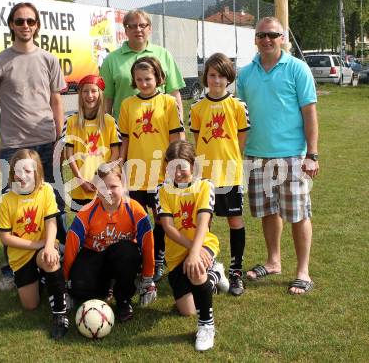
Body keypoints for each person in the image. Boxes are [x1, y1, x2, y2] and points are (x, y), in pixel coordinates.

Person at [0, 2, 68, 291]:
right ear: (11, 25)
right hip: (12, 147)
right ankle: (11, 268)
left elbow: (57, 101)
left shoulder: (48, 60)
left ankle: (59, 255)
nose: (25, 25)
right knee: (11, 205)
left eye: (30, 20)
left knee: (55, 203)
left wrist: (59, 140)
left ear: (37, 25)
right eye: (19, 21)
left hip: (46, 142)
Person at [236, 17, 319, 295]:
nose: (267, 39)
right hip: (256, 156)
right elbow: (241, 117)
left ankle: (303, 271)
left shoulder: (298, 69)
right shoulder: (245, 74)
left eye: (273, 34)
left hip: (292, 156)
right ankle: (273, 261)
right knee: (268, 212)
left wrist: (313, 155)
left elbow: (310, 113)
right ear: (255, 39)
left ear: (282, 37)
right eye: (261, 35)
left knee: (297, 214)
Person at [63, 163, 156, 322]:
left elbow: (147, 245)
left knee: (128, 252)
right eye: (103, 187)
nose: (108, 191)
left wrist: (148, 279)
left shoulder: (135, 210)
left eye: (113, 186)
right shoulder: (86, 212)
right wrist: (65, 282)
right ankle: (104, 289)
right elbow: (72, 246)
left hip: (120, 258)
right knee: (79, 286)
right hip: (94, 256)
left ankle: (123, 300)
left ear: (123, 186)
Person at [118, 56, 184, 282]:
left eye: (148, 78)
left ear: (158, 78)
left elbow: (176, 137)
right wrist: (119, 165)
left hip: (160, 173)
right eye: (139, 79)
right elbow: (125, 139)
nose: (144, 83)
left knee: (161, 220)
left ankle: (158, 260)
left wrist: (175, 166)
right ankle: (140, 260)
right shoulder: (128, 104)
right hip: (135, 173)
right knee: (137, 220)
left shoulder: (168, 102)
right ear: (134, 81)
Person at [190, 53, 250, 296]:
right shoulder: (197, 108)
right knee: (205, 223)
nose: (216, 80)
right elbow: (197, 142)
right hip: (205, 178)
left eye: (221, 75)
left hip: (230, 176)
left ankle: (236, 272)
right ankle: (208, 266)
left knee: (235, 221)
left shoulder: (238, 106)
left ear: (229, 77)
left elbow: (240, 141)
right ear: (206, 77)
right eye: (212, 75)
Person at [156, 140, 224, 351]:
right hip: (177, 254)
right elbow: (168, 227)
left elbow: (204, 222)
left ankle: (206, 327)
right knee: (187, 310)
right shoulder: (162, 190)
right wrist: (189, 251)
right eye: (171, 167)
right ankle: (215, 275)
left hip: (204, 244)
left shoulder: (205, 185)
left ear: (192, 165)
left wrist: (195, 252)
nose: (177, 173)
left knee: (195, 268)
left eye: (182, 167)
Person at [0, 149, 69, 340]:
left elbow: (51, 222)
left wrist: (48, 246)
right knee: (30, 305)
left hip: (43, 247)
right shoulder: (5, 199)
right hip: (21, 256)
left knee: (50, 259)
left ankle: (60, 315)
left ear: (37, 172)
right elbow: (6, 238)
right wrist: (38, 244)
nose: (23, 176)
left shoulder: (46, 190)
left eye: (29, 171)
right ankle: (46, 279)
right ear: (12, 173)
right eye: (19, 171)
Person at [100, 9, 185, 122]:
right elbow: (106, 99)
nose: (138, 29)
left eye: (142, 25)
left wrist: (180, 127)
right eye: (133, 26)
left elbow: (174, 93)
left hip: (160, 129)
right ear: (126, 30)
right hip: (125, 131)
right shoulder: (111, 60)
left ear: (149, 28)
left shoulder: (164, 55)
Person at [64, 74, 121, 211]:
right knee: (83, 228)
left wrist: (101, 177)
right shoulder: (71, 121)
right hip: (81, 186)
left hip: (104, 186)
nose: (90, 95)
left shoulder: (109, 122)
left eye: (94, 91)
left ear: (100, 94)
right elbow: (69, 154)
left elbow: (115, 153)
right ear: (80, 94)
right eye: (85, 91)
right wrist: (80, 180)